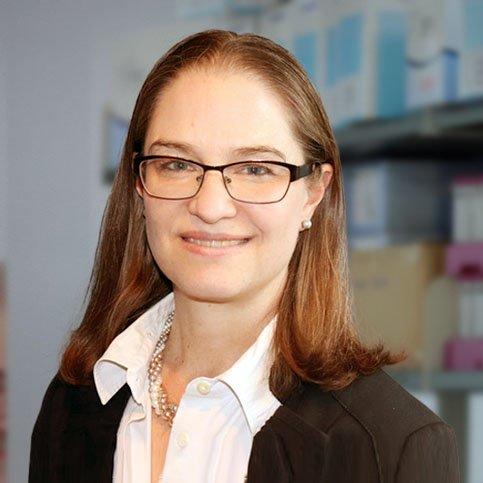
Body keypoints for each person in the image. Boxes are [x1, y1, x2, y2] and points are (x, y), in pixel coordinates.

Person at [28, 29, 460, 483]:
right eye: (177, 164)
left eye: (255, 168)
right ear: (139, 184)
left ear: (314, 192)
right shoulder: (73, 404)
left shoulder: (393, 448)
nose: (210, 206)